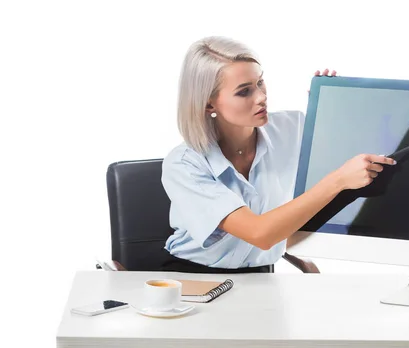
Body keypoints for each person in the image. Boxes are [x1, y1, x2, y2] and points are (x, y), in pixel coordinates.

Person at [160, 36, 397, 273]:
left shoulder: (292, 127)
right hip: (192, 277)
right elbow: (259, 234)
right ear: (208, 105)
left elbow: (359, 158)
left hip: (260, 276)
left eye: (260, 83)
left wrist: (331, 104)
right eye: (244, 92)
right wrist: (338, 181)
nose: (261, 96)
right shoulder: (184, 165)